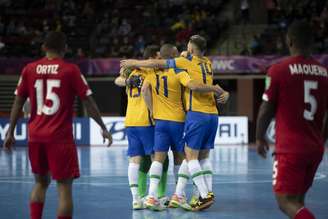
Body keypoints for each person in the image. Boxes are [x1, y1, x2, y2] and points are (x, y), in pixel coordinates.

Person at [2, 31, 113, 219]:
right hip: (60, 138)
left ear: (44, 48)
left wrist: (10, 132)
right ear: (66, 49)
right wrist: (102, 126)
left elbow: (18, 102)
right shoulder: (70, 70)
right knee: (64, 189)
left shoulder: (29, 69)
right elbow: (88, 102)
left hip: (35, 136)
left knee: (39, 183)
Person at [121, 35, 229, 211]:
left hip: (160, 121)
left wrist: (152, 111)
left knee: (158, 158)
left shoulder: (154, 72)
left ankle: (151, 196)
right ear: (174, 55)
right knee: (188, 157)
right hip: (183, 118)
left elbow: (145, 87)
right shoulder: (193, 67)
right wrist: (216, 89)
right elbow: (192, 82)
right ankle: (186, 193)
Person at [256, 20, 328, 219]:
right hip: (315, 148)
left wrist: (260, 137)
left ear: (290, 41)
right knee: (298, 201)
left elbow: (266, 108)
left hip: (290, 149)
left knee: (285, 201)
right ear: (312, 43)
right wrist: (321, 141)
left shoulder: (278, 70)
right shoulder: (324, 73)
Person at [115, 45, 169, 209]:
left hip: (130, 122)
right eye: (158, 57)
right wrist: (154, 112)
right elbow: (143, 89)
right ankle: (154, 197)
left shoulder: (131, 73)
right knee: (157, 157)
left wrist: (126, 80)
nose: (160, 60)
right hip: (147, 121)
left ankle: (136, 199)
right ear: (151, 58)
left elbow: (117, 80)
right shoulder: (150, 72)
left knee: (134, 159)